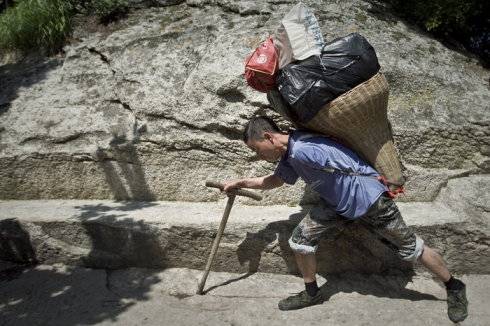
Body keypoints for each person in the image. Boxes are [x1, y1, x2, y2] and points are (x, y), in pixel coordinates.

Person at [222, 116, 468, 322]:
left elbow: (351, 164)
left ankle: (454, 286)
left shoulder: (307, 148)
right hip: (337, 205)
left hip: (371, 203)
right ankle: (312, 293)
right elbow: (275, 180)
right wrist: (241, 182)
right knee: (300, 240)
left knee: (411, 247)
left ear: (268, 137)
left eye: (255, 149)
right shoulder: (291, 154)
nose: (258, 155)